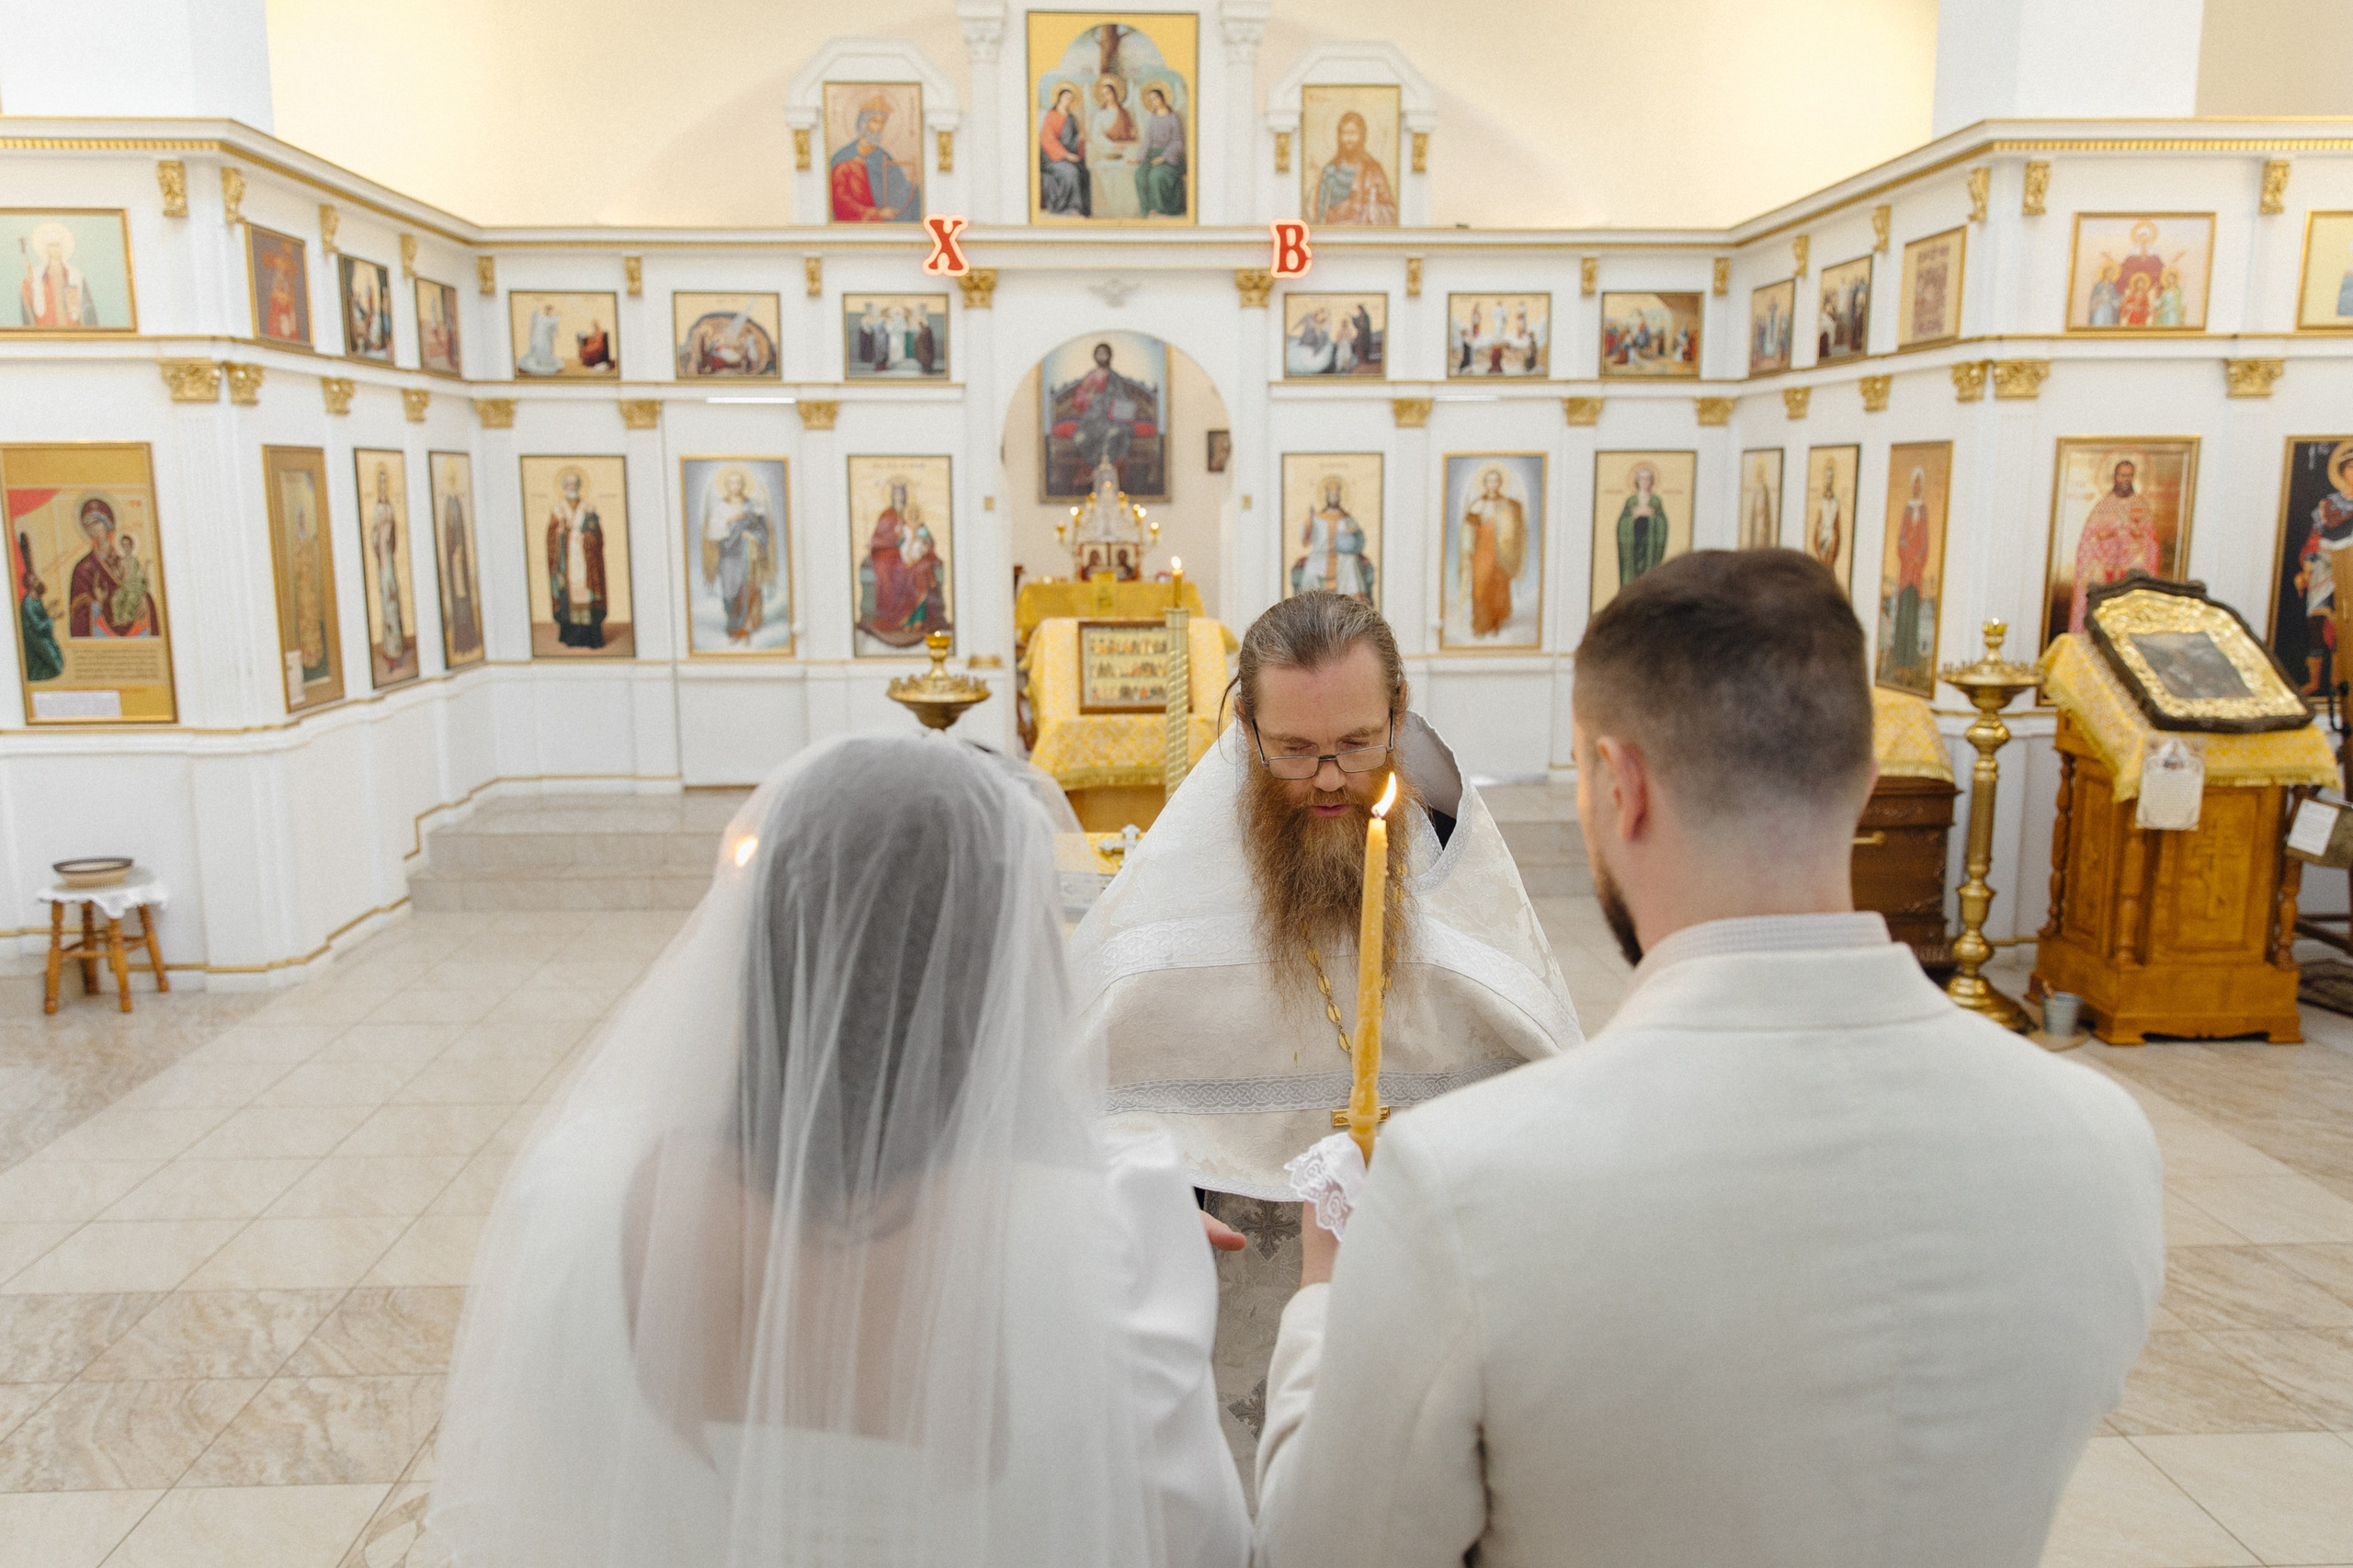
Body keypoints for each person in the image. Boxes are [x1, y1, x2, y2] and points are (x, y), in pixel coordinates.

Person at [1254, 550, 2163, 1568]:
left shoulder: (1466, 1182)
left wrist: (1323, 1304)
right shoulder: (2101, 1141)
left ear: (1618, 785)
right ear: (1862, 784)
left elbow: (1316, 1552)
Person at [433, 735, 1252, 1568]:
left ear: (767, 942)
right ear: (1001, 971)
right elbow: (1197, 1539)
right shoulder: (1104, 1229)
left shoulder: (580, 1196)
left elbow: (554, 1500)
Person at [1069, 593, 1577, 1199]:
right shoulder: (1182, 875)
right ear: (1244, 724)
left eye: (1359, 743)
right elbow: (1086, 1094)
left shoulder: (1451, 854)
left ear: (1399, 712)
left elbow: (1541, 1081)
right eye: (1295, 750)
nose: (1330, 778)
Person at [2069, 459, 2162, 632]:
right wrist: (2107, 535)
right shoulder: (2103, 506)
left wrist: (2137, 535)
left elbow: (2151, 541)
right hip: (2104, 568)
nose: (2125, 479)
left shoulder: (2140, 506)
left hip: (2129, 567)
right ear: (2115, 477)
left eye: (2129, 475)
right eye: (2122, 475)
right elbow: (2088, 539)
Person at [700, 467, 774, 645]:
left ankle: (746, 629)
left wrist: (753, 536)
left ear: (743, 484)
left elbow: (763, 531)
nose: (736, 485)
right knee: (729, 592)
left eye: (739, 482)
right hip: (729, 556)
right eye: (732, 482)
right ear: (727, 485)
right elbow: (712, 533)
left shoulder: (752, 506)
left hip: (749, 555)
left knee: (748, 589)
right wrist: (730, 521)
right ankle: (733, 628)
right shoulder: (720, 507)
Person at [829, 95, 918, 223]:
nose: (880, 127)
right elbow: (839, 198)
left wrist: (910, 186)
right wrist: (875, 212)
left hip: (884, 224)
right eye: (875, 121)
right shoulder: (843, 157)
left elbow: (898, 189)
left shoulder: (884, 157)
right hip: (854, 224)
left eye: (883, 122)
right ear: (863, 123)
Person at [545, 467, 608, 650]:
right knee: (569, 593)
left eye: (574, 483)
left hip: (585, 559)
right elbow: (551, 538)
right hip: (567, 560)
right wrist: (561, 530)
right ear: (564, 486)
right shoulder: (558, 509)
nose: (572, 486)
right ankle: (571, 635)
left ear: (579, 486)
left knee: (586, 594)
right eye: (568, 483)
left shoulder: (588, 508)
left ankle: (589, 636)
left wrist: (589, 537)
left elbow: (598, 536)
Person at [1307, 110, 1396, 226]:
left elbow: (1390, 209)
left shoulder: (1373, 169)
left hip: (1366, 236)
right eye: (1345, 133)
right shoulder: (1330, 170)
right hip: (1334, 234)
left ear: (1362, 136)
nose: (1349, 139)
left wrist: (1371, 205)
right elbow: (1317, 212)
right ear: (1339, 136)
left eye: (1353, 133)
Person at [1462, 466, 1521, 636]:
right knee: (1480, 586)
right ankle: (1481, 623)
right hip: (1482, 552)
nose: (1493, 484)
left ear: (1500, 483)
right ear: (1485, 483)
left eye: (1496, 480)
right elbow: (1468, 528)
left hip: (1501, 553)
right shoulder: (1478, 504)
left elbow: (1515, 528)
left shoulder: (1507, 504)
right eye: (1489, 480)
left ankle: (1495, 622)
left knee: (1498, 586)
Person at [14, 529, 63, 682]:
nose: (38, 581)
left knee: (59, 663)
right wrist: (52, 617)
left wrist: (49, 611)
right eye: (35, 580)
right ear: (30, 585)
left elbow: (41, 615)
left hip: (43, 635)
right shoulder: (28, 603)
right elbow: (38, 627)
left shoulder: (37, 598)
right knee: (56, 667)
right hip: (35, 638)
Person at [1040, 82, 1090, 216]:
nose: (1069, 101)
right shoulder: (1051, 116)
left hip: (1069, 156)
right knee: (1071, 172)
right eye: (1066, 98)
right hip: (1053, 159)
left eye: (1071, 99)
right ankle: (1069, 208)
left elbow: (1073, 141)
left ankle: (1083, 210)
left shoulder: (1071, 118)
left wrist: (1080, 139)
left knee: (1085, 172)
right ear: (1059, 98)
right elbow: (1047, 140)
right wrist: (1066, 155)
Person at [1616, 462, 1668, 588]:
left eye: (1648, 479)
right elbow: (1622, 522)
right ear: (1637, 481)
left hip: (1650, 541)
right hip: (1634, 539)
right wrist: (1633, 517)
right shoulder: (1631, 500)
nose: (1645, 482)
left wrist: (1653, 517)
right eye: (1642, 479)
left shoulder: (1655, 500)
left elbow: (1663, 522)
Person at [1137, 84, 1186, 217]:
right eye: (1151, 100)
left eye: (1156, 98)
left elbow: (1178, 142)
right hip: (1152, 155)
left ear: (1162, 98)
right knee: (1140, 175)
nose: (1154, 102)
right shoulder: (1153, 118)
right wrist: (1140, 156)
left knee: (1156, 176)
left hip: (1170, 157)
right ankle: (1146, 209)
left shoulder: (1173, 117)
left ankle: (1159, 209)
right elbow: (1148, 139)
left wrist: (1163, 157)